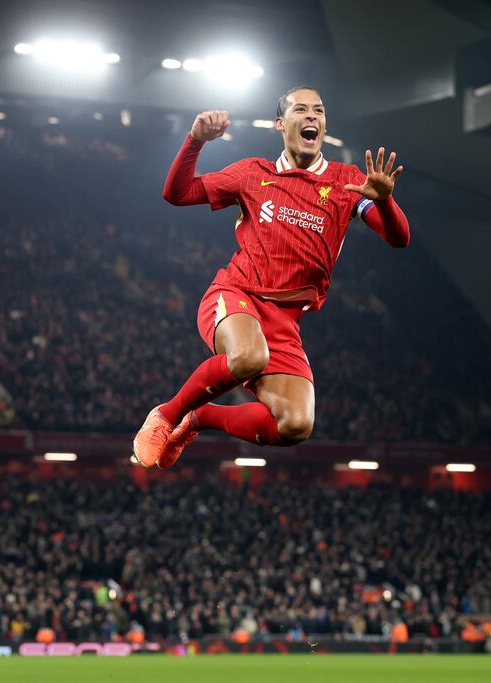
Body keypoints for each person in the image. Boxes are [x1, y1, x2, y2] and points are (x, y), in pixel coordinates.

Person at [133, 86, 410, 467]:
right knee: (248, 356)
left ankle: (199, 417)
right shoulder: (252, 174)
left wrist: (384, 199)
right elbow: (176, 193)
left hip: (285, 321)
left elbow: (399, 238)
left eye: (319, 110)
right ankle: (165, 416)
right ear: (281, 123)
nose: (312, 116)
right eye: (301, 110)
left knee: (296, 424)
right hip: (236, 294)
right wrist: (195, 141)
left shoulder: (347, 182)